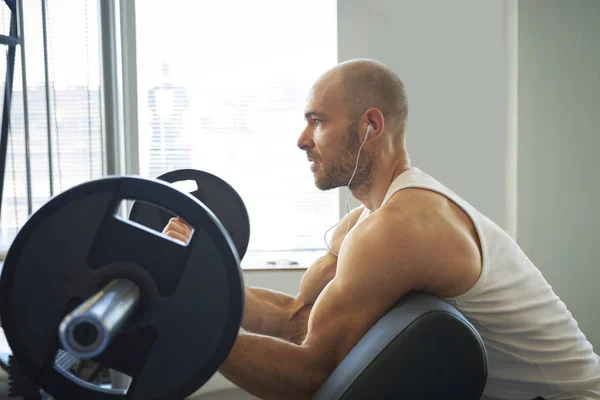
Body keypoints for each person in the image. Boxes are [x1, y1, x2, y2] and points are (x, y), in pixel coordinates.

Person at [162, 59, 600, 400]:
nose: (301, 139)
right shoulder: (369, 219)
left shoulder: (402, 228)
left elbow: (307, 379)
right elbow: (297, 319)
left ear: (371, 126)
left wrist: (195, 321)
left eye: (317, 121)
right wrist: (198, 280)